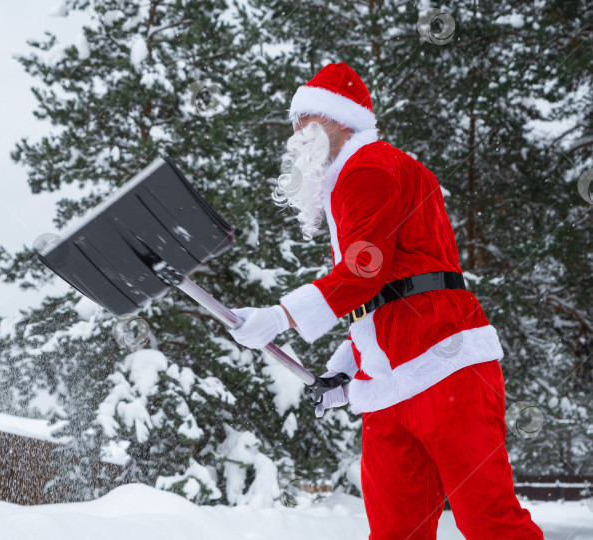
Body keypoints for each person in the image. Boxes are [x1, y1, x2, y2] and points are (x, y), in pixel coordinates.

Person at [227, 62, 544, 540]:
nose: (296, 132)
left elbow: (363, 271)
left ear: (341, 119)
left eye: (307, 118)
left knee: (488, 520)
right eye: (294, 119)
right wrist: (347, 368)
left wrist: (279, 317)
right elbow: (382, 295)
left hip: (445, 362)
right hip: (388, 382)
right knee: (396, 530)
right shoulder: (349, 180)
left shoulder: (371, 165)